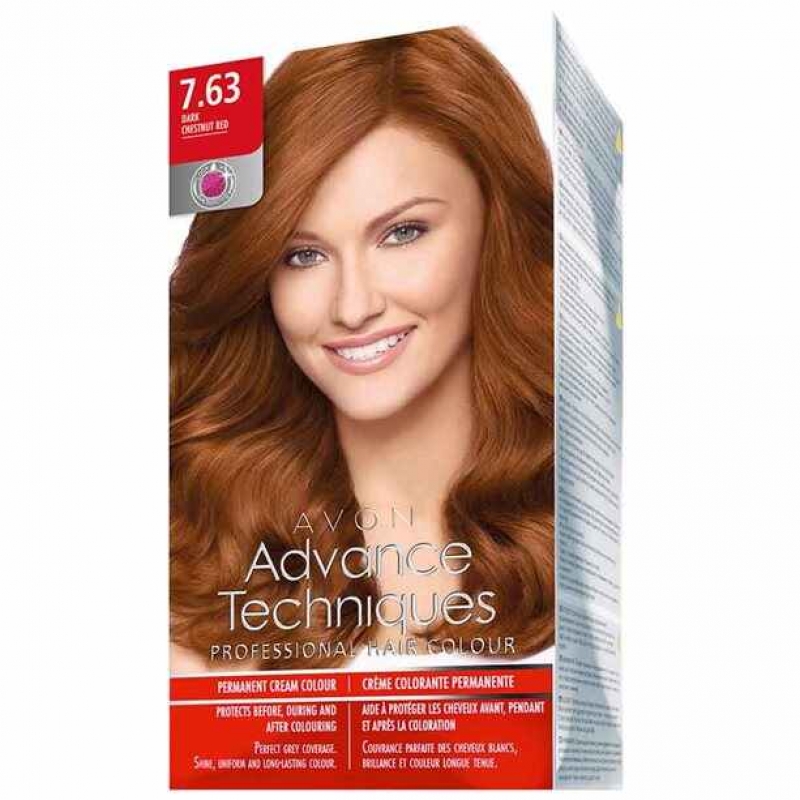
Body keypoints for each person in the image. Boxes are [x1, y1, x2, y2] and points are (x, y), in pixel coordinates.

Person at [170, 26, 554, 673]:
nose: (352, 307)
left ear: (500, 227)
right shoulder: (193, 566)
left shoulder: (592, 525)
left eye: (402, 233)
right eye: (302, 255)